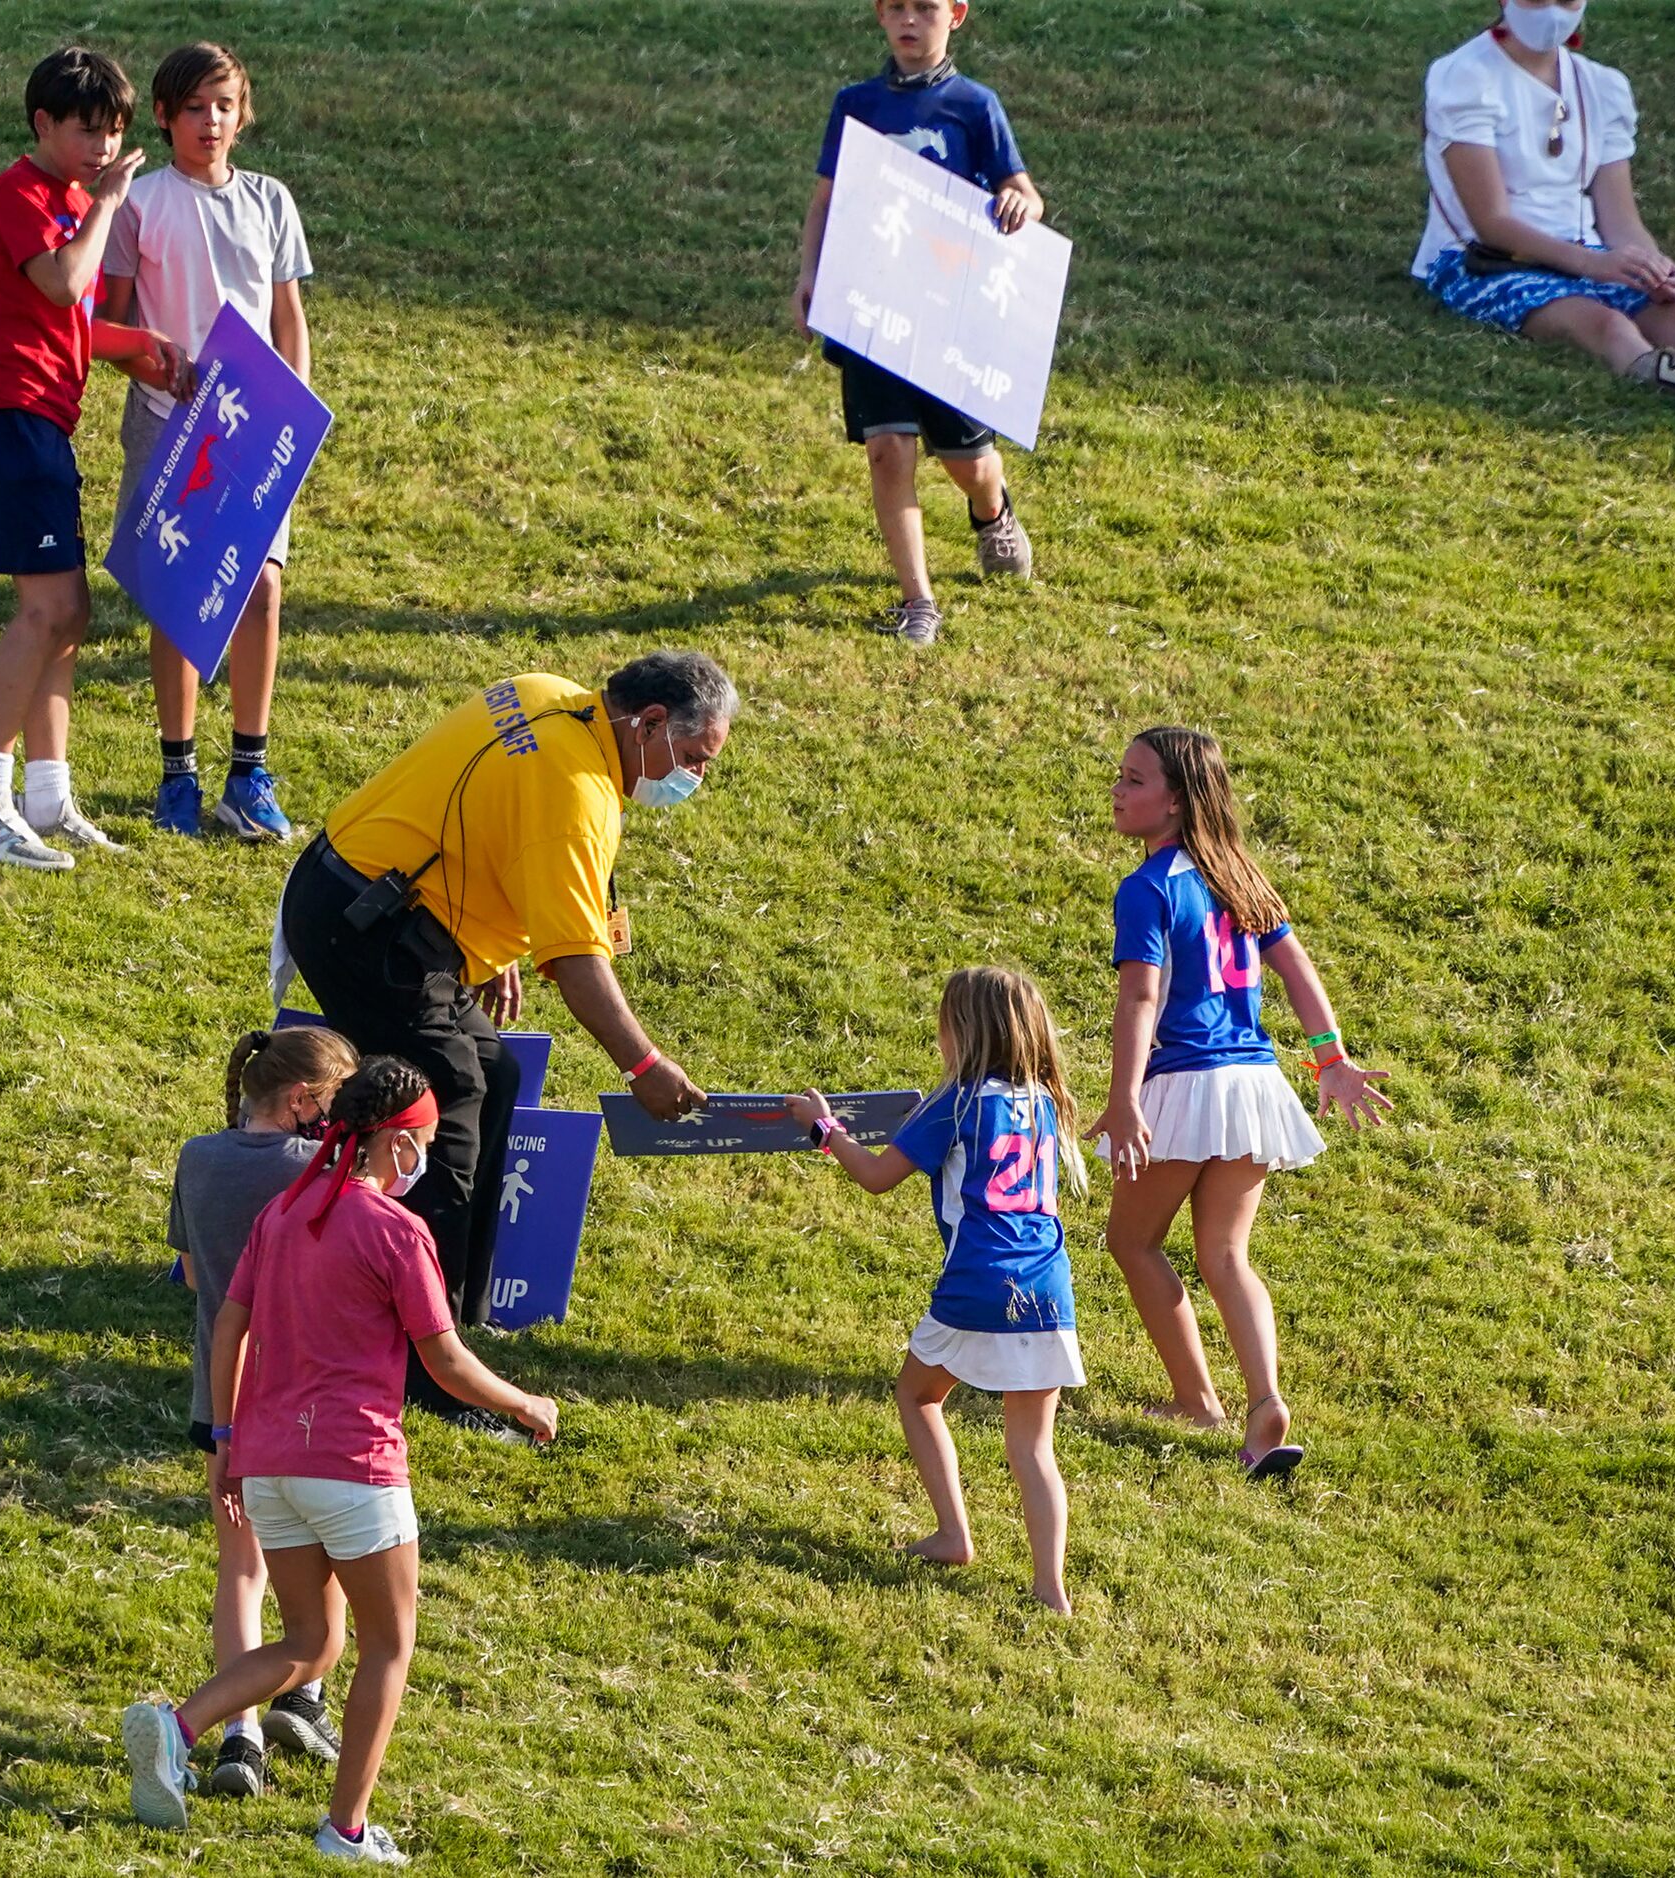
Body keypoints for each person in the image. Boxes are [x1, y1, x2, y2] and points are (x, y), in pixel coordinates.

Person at [121, 1057, 558, 1865]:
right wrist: (525, 1403)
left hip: (268, 1462)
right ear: (395, 1145)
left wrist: (222, 1441)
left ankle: (176, 1730)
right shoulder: (397, 1231)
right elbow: (446, 1363)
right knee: (387, 1648)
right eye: (422, 1144)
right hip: (356, 1465)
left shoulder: (282, 1214)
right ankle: (345, 1828)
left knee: (311, 1643)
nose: (423, 1160)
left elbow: (227, 1329)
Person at [275, 651, 727, 1417]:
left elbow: (471, 802)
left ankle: (457, 1315)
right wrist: (643, 1065)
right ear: (648, 722)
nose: (694, 778)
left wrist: (483, 941)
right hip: (367, 931)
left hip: (365, 895)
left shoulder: (546, 695)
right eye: (691, 758)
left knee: (497, 1078)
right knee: (443, 1110)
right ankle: (429, 1371)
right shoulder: (575, 797)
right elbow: (579, 964)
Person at [1090, 728, 1393, 1480]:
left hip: (1183, 1084)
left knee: (1132, 1243)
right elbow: (1294, 966)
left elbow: (1139, 995)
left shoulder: (1148, 887)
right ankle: (1262, 1397)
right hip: (1254, 1086)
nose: (1118, 791)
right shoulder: (1239, 875)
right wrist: (1331, 1060)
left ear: (1177, 800)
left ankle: (1195, 1399)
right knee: (1226, 1255)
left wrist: (1123, 1097)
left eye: (1133, 780)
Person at [0, 49, 195, 872]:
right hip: (5, 418)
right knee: (46, 612)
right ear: (43, 124)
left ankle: (45, 795)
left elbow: (71, 321)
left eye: (113, 133)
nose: (103, 148)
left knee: (71, 614)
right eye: (87, 131)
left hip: (43, 422)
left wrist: (140, 346)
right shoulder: (23, 194)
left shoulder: (74, 200)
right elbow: (59, 282)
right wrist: (107, 205)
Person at [789, 967, 1086, 1615]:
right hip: (1048, 1287)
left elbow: (873, 1177)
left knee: (917, 1394)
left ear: (963, 1030)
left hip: (978, 1281)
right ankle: (1050, 1590)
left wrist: (822, 1128)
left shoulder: (953, 1101)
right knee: (1034, 1446)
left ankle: (953, 1534)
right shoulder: (1043, 1102)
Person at [99, 41, 315, 843]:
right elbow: (108, 322)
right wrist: (156, 359)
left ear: (242, 112)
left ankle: (249, 773)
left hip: (257, 425)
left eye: (223, 105)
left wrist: (288, 409)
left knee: (260, 588)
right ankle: (176, 773)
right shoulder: (140, 204)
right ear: (163, 116)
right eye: (194, 108)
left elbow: (287, 317)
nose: (211, 121)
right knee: (182, 599)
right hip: (169, 422)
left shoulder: (270, 201)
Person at [790, 0, 1043, 647]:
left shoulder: (974, 105)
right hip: (870, 305)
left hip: (948, 315)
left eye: (924, 8)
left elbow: (1024, 190)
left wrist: (1018, 198)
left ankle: (991, 513)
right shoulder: (856, 103)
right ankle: (918, 602)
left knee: (969, 464)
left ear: (955, 14)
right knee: (886, 450)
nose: (909, 20)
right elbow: (826, 199)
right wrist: (809, 274)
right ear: (879, 15)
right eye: (896, 7)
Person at [164, 1023, 362, 1797]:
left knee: (239, 1570)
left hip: (219, 1401)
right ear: (303, 1100)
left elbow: (187, 1274)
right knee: (331, 1553)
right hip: (309, 1401)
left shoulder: (196, 1157)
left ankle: (237, 1742)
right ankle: (304, 1696)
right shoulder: (319, 1169)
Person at [1414, 1, 1675, 415]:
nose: (1553, 9)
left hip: (1588, 255)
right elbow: (1491, 222)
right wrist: (1592, 265)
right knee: (1607, 325)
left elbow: (1620, 219)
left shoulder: (1601, 85)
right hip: (1484, 260)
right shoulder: (1467, 77)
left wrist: (1654, 266)